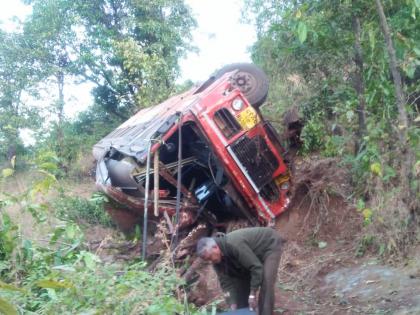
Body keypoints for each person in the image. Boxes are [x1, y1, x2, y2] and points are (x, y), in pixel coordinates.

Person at [196, 227, 283, 315]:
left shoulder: (234, 244)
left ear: (215, 247)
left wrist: (252, 293)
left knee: (266, 281)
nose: (211, 261)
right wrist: (232, 303)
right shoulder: (216, 261)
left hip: (269, 245)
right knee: (239, 285)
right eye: (208, 260)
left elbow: (256, 268)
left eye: (210, 257)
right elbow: (225, 284)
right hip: (250, 255)